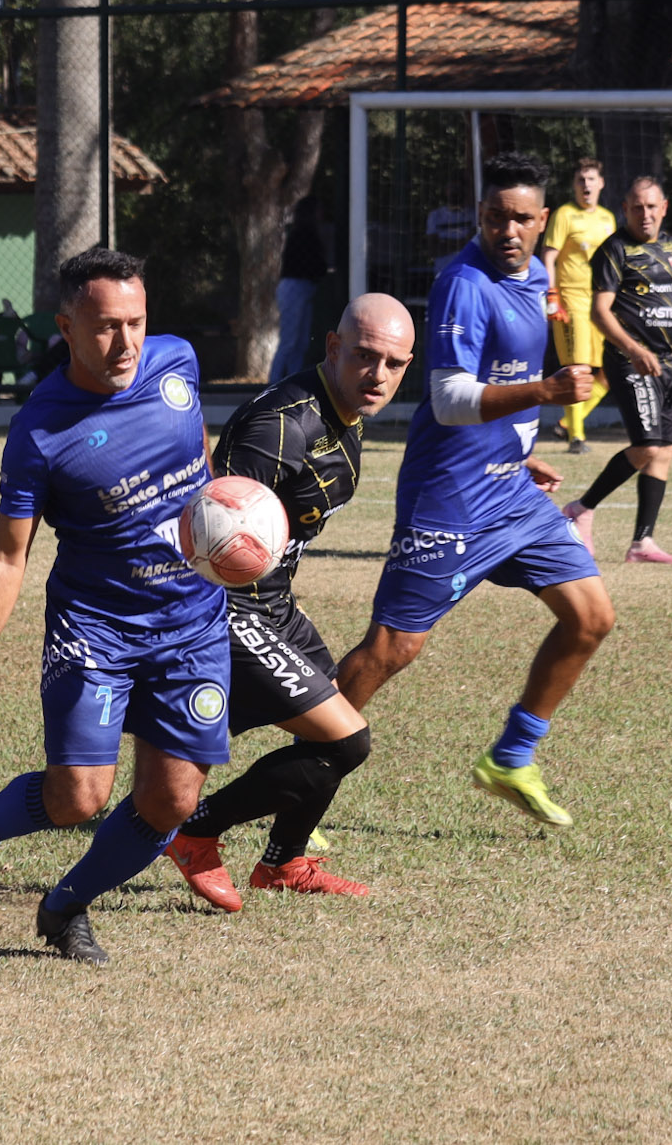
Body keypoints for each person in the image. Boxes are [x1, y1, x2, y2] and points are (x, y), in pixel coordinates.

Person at [0, 248, 230, 965]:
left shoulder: (177, 363)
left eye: (135, 322)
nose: (125, 342)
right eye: (105, 326)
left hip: (193, 622)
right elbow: (6, 553)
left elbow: (196, 450)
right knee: (78, 797)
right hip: (98, 628)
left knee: (172, 800)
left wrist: (223, 530)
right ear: (65, 327)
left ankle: (66, 905)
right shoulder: (40, 430)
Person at [334, 151, 615, 831]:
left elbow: (503, 376)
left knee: (591, 617)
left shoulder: (539, 274)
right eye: (495, 216)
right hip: (450, 494)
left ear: (542, 221)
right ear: (480, 215)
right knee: (392, 649)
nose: (507, 230)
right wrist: (546, 392)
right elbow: (451, 397)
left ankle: (512, 757)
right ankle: (296, 780)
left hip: (510, 490)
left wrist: (520, 447)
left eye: (521, 219)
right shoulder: (463, 283)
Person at [165, 293, 416, 911]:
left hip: (273, 603)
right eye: (364, 355)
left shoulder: (347, 412)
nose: (377, 374)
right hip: (227, 607)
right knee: (345, 740)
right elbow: (212, 530)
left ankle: (283, 862)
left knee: (334, 722)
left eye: (393, 363)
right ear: (333, 346)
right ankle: (195, 831)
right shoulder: (279, 428)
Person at [562, 177, 672, 567]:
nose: (644, 214)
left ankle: (642, 543)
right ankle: (581, 509)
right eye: (636, 207)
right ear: (625, 209)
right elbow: (600, 313)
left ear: (664, 208)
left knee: (663, 452)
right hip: (629, 360)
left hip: (667, 361)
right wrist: (634, 349)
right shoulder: (614, 250)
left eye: (651, 207)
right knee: (646, 446)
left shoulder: (669, 247)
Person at [539, 157, 616, 455]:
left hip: (601, 302)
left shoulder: (608, 218)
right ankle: (577, 439)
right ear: (574, 184)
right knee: (578, 368)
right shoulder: (564, 215)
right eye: (581, 179)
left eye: (591, 179)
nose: (586, 184)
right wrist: (552, 295)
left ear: (601, 183)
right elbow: (549, 257)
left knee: (610, 369)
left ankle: (569, 422)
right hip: (571, 300)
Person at [270, 198, 329, 382]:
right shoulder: (301, 234)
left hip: (305, 289)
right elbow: (314, 265)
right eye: (318, 211)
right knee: (289, 342)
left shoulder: (309, 234)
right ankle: (272, 384)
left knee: (301, 343)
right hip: (294, 288)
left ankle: (291, 382)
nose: (321, 215)